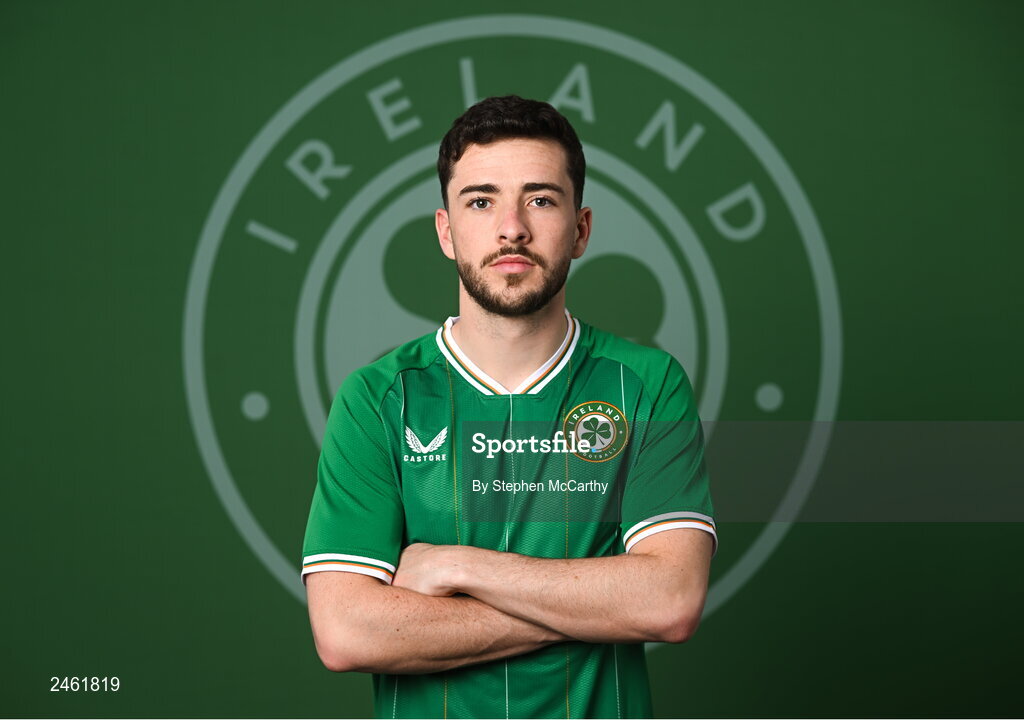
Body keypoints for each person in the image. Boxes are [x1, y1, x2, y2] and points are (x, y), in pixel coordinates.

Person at [301, 95, 716, 719]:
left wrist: (453, 566)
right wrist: (595, 602)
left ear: (580, 229)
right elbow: (345, 632)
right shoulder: (380, 398)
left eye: (541, 199)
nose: (512, 227)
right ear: (446, 231)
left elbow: (670, 600)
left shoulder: (646, 384)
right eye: (481, 200)